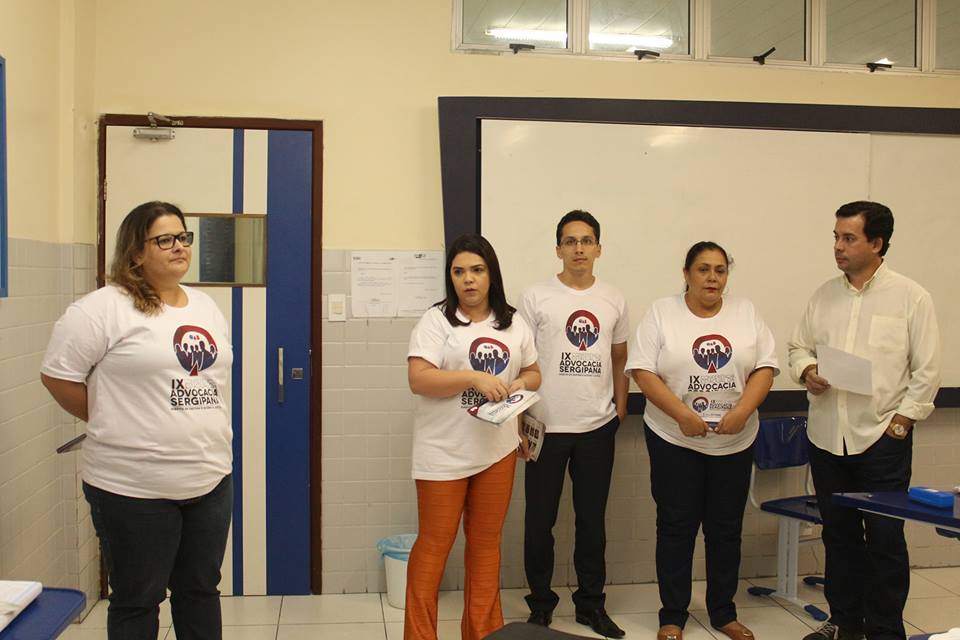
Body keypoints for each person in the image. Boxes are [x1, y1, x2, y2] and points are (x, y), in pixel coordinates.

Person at [41, 201, 234, 640]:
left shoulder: (205, 306)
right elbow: (57, 376)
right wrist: (112, 417)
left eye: (183, 237)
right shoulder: (102, 309)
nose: (179, 247)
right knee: (138, 599)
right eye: (164, 240)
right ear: (135, 252)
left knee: (200, 591)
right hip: (131, 488)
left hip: (209, 479)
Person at [787, 201, 941, 640]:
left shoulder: (911, 297)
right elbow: (798, 347)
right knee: (838, 536)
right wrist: (807, 370)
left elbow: (927, 371)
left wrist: (900, 425)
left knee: (885, 539)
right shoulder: (823, 295)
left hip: (882, 439)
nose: (838, 246)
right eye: (836, 237)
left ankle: (886, 630)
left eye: (848, 238)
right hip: (826, 437)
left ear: (876, 243)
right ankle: (844, 622)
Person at [626, 241, 777, 640]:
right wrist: (681, 414)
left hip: (734, 440)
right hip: (674, 437)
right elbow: (642, 371)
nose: (712, 278)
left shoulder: (746, 312)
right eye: (703, 269)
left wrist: (742, 411)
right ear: (686, 274)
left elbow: (765, 368)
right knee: (675, 527)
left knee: (725, 529)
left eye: (720, 270)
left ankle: (723, 612)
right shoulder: (662, 312)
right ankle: (672, 615)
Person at [405, 234, 541, 640]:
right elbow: (419, 379)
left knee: (485, 547)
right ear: (450, 277)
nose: (468, 279)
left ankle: (483, 634)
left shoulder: (513, 322)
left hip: (497, 451)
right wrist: (472, 378)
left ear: (491, 274)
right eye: (459, 271)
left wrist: (518, 385)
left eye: (477, 270)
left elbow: (533, 372)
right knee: (434, 547)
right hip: (443, 454)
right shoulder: (437, 320)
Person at [517, 210, 629, 638]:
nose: (578, 248)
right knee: (538, 522)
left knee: (592, 522)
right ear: (558, 249)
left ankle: (591, 605)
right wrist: (520, 420)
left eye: (586, 241)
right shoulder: (535, 297)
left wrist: (620, 409)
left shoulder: (613, 298)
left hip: (596, 427)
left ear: (599, 248)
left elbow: (620, 357)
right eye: (570, 241)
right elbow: (521, 361)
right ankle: (540, 605)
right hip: (544, 425)